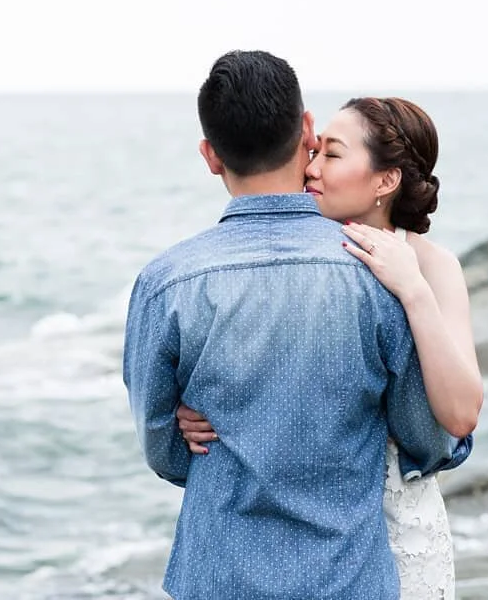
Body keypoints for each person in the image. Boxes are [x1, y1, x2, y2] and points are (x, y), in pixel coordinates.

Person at [123, 51, 469, 600]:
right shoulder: (376, 272)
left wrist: (213, 437)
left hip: (217, 578)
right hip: (346, 577)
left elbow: (162, 448)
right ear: (307, 131)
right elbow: (424, 438)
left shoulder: (165, 282)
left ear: (210, 156)